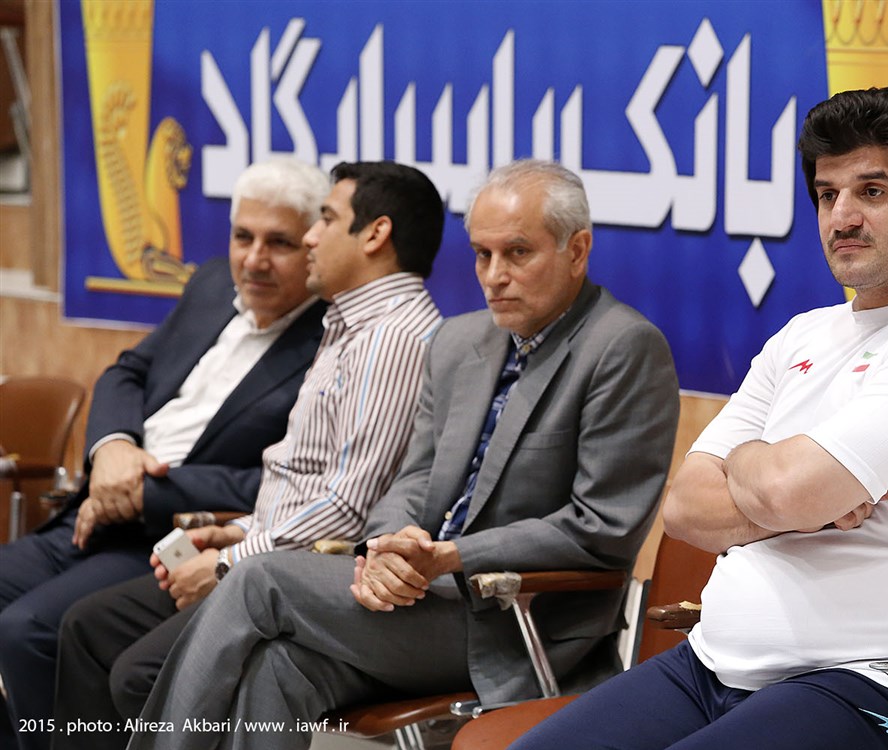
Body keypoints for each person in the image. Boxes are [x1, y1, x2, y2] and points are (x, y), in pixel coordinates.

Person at [511, 86, 888, 750]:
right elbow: (686, 508)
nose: (842, 217)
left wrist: (761, 472)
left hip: (882, 687)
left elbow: (790, 490)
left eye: (872, 191)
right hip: (711, 668)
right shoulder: (803, 336)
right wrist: (799, 495)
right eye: (827, 194)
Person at [125, 159, 680, 750]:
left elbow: (601, 526)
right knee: (276, 668)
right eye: (482, 254)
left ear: (577, 250)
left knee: (259, 578)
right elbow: (413, 479)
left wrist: (449, 556)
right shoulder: (459, 340)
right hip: (418, 595)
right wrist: (387, 546)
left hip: (515, 623)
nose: (494, 276)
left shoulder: (622, 347)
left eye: (518, 253)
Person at [51, 161, 446, 750]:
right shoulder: (350, 322)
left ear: (375, 235)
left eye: (325, 220)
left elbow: (348, 508)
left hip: (308, 576)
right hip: (266, 550)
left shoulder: (393, 339)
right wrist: (237, 531)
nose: (311, 237)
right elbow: (307, 481)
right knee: (90, 628)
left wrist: (229, 563)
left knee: (141, 674)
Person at [0, 158, 330, 750]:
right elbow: (126, 371)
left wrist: (143, 490)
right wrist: (113, 448)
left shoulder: (330, 343)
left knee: (27, 630)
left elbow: (281, 483)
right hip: (95, 506)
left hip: (172, 534)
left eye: (279, 243)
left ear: (315, 246)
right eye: (243, 237)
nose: (254, 260)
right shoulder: (212, 285)